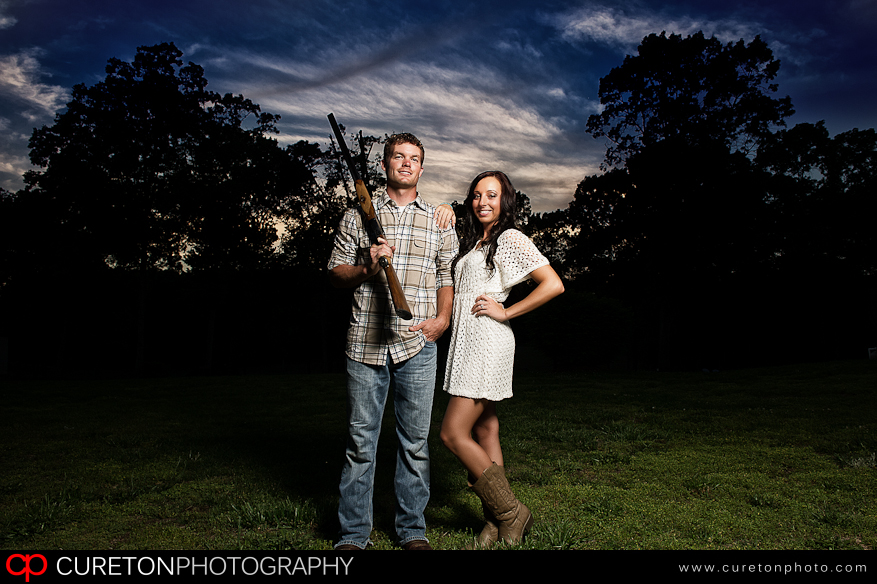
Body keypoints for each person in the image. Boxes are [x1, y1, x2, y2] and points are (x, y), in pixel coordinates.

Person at [327, 132, 458, 550]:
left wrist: (443, 319)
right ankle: (352, 536)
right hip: (365, 343)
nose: (405, 163)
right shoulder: (355, 217)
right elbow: (335, 273)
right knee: (361, 444)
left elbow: (446, 276)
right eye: (397, 157)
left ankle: (412, 531)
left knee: (415, 444)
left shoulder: (439, 219)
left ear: (422, 167)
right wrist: (368, 267)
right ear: (384, 165)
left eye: (413, 158)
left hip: (418, 344)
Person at [439, 170, 564, 548]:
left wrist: (506, 312)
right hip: (467, 342)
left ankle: (511, 512)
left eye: (491, 195)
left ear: (505, 200)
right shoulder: (475, 241)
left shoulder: (509, 238)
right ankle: (495, 523)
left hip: (487, 342)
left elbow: (553, 283)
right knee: (485, 429)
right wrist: (441, 208)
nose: (482, 202)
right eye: (476, 195)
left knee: (452, 433)